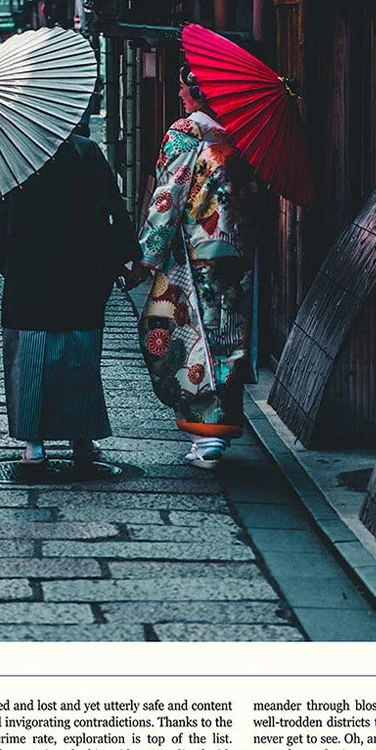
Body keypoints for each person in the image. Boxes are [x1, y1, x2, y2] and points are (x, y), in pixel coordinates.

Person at [0, 124, 140, 466]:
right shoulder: (85, 151)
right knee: (80, 356)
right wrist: (122, 259)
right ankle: (82, 441)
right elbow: (111, 211)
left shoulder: (11, 157)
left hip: (29, 275)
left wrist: (9, 266)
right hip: (81, 272)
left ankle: (33, 445)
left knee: (30, 356)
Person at [130, 62, 259, 467]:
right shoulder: (238, 135)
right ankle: (216, 429)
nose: (180, 96)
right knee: (228, 336)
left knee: (184, 333)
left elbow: (168, 196)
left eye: (185, 90)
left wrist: (147, 255)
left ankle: (206, 432)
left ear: (198, 92)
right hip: (235, 250)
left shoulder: (186, 133)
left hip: (193, 251)